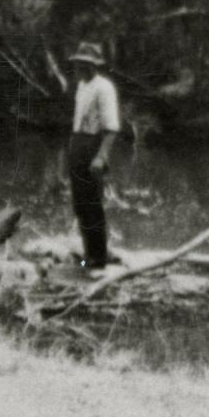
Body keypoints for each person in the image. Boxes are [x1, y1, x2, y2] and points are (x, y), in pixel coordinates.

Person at [66, 41, 121, 272]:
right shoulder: (81, 85)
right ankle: (90, 252)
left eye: (84, 63)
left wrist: (101, 157)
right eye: (78, 63)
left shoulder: (104, 87)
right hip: (78, 143)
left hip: (93, 144)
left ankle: (99, 257)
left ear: (93, 66)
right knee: (79, 203)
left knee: (92, 202)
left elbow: (111, 128)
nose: (79, 67)